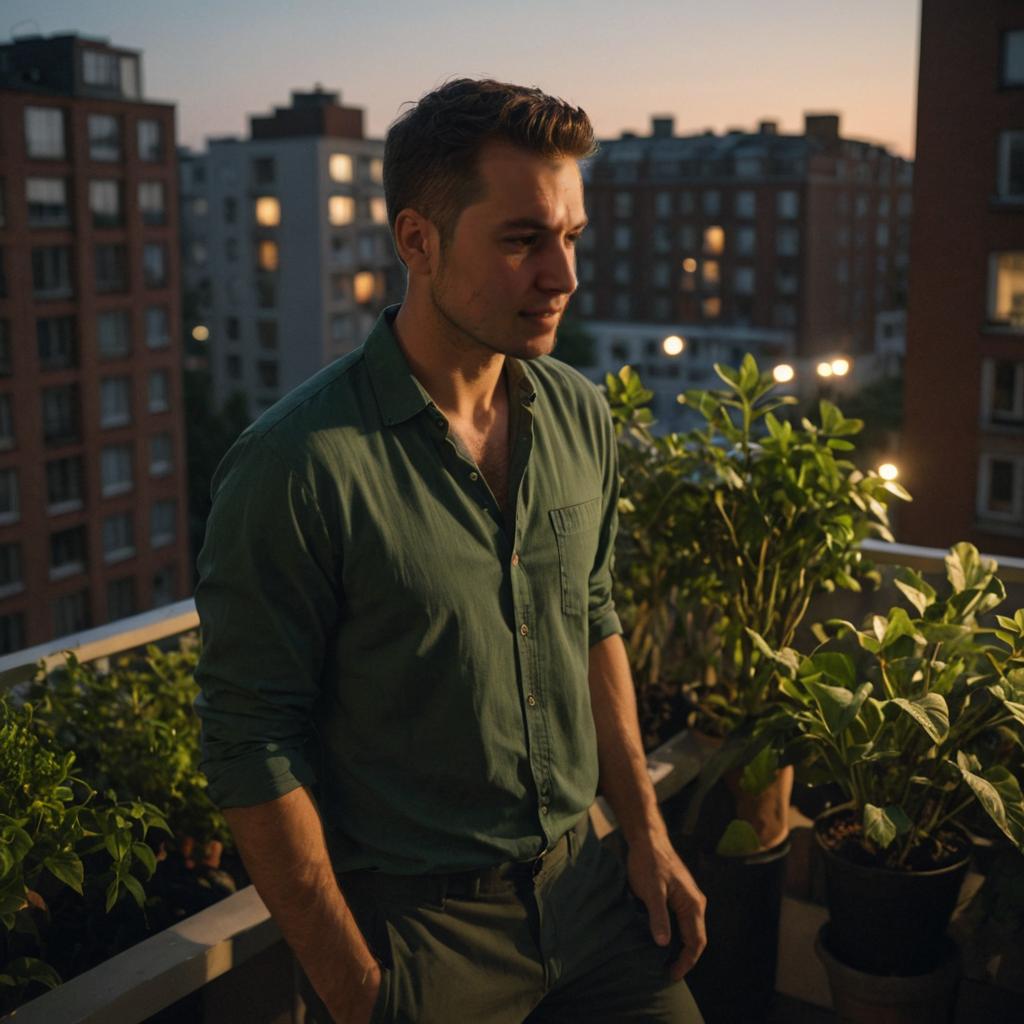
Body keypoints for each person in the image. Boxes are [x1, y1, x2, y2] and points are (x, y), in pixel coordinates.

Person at [194, 78, 706, 1024]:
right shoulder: (295, 466)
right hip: (423, 937)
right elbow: (249, 742)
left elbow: (591, 619)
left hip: (591, 892)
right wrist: (357, 991)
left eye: (571, 237)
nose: (563, 277)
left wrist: (646, 834)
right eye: (522, 240)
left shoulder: (579, 414)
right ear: (417, 241)